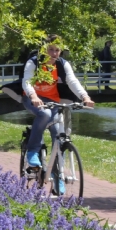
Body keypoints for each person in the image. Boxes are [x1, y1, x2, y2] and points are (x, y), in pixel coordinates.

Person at [21, 40, 94, 192]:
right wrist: (33, 96)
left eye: (57, 50)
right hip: (31, 98)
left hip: (52, 100)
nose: (54, 54)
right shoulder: (34, 62)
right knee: (44, 113)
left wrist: (84, 97)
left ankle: (57, 176)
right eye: (51, 50)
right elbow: (26, 81)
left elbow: (72, 80)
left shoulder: (61, 64)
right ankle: (33, 151)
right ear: (43, 50)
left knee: (58, 134)